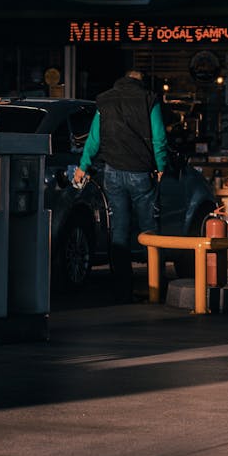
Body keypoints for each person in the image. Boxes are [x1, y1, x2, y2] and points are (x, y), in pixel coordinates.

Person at [73, 69, 168, 302]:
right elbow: (159, 137)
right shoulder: (149, 99)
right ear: (140, 82)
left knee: (120, 232)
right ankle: (156, 288)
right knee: (150, 230)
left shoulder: (105, 100)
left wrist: (83, 165)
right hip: (141, 173)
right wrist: (162, 165)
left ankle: (122, 289)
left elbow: (94, 139)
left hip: (113, 172)